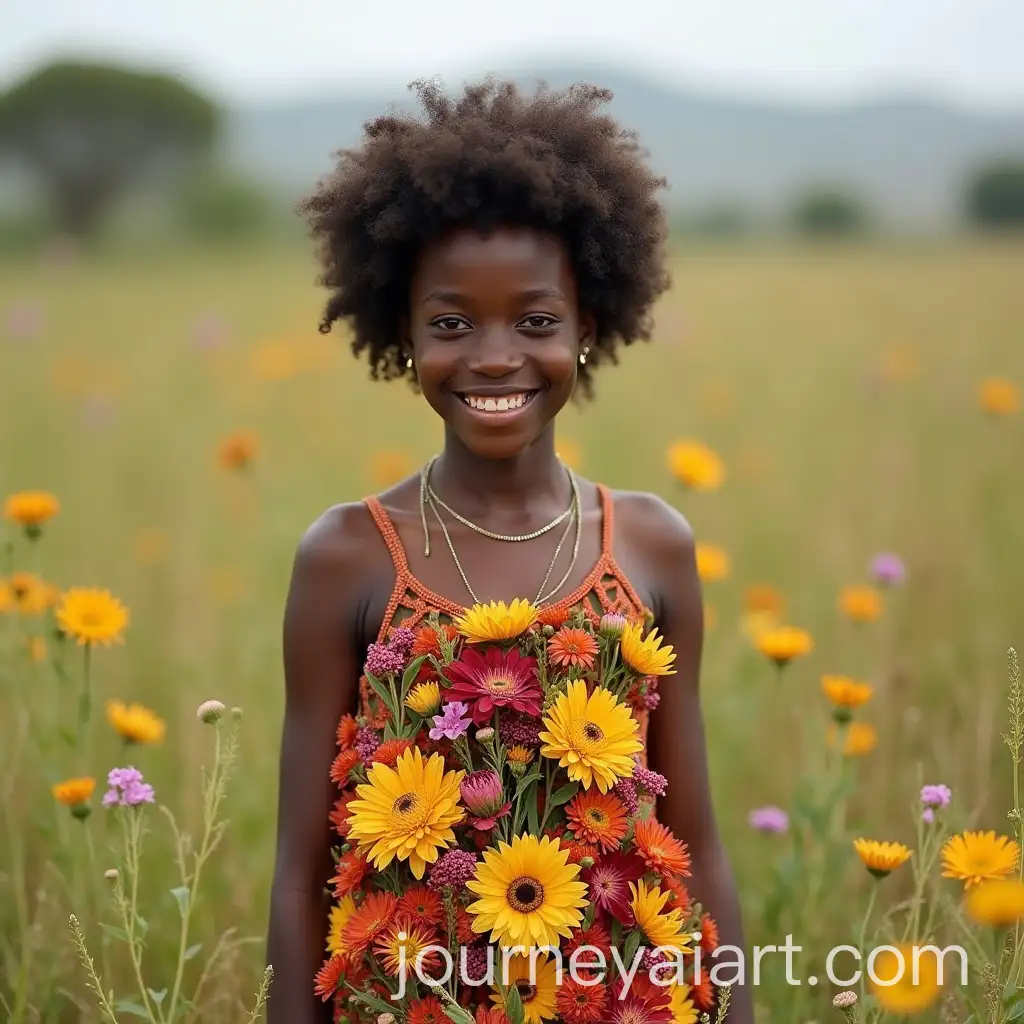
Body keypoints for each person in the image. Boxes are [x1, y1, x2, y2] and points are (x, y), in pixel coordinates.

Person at [266, 77, 752, 1024]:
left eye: (535, 322)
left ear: (588, 329)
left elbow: (696, 842)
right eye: (451, 324)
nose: (494, 357)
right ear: (402, 336)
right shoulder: (347, 557)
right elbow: (298, 873)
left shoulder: (651, 545)